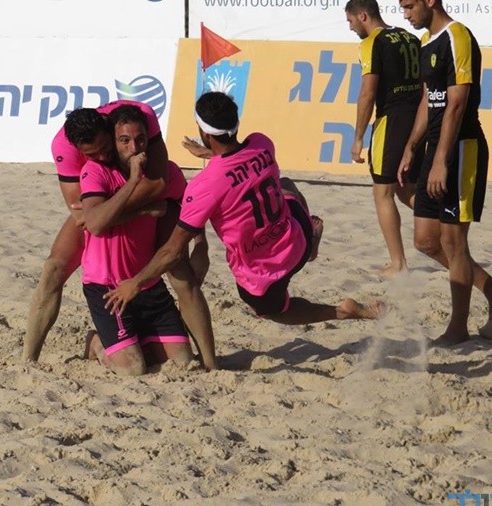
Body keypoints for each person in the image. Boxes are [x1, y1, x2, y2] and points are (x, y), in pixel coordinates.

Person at [104, 91, 383, 328]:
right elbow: (238, 160)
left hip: (263, 272)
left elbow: (172, 250)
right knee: (285, 184)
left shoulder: (203, 186)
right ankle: (311, 238)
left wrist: (135, 282)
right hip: (296, 238)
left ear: (204, 133)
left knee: (274, 311)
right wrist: (210, 153)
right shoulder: (262, 143)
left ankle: (340, 311)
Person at [22, 101, 217, 369]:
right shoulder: (77, 157)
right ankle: (27, 360)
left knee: (181, 272)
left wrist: (201, 245)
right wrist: (144, 210)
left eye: (105, 148)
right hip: (106, 215)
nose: (103, 156)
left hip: (130, 205)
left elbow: (162, 184)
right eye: (92, 153)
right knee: (53, 268)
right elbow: (87, 219)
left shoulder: (141, 119)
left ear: (109, 133)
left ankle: (209, 363)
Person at [397, 0, 492, 344]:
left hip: (462, 148)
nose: (405, 14)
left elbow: (457, 104)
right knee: (425, 241)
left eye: (409, 6)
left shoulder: (457, 36)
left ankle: (458, 329)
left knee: (453, 241)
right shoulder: (426, 41)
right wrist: (412, 145)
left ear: (430, 1)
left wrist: (442, 159)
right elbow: (428, 99)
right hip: (436, 148)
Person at [80, 104, 194, 375]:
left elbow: (194, 211)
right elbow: (95, 223)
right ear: (113, 141)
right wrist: (133, 185)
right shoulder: (95, 171)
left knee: (182, 363)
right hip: (108, 286)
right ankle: (96, 342)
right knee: (133, 371)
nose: (134, 147)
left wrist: (200, 247)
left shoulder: (163, 173)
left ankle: (132, 339)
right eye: (124, 140)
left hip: (147, 283)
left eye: (140, 139)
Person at [345, 0, 424, 276]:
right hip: (417, 119)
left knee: (382, 192)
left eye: (350, 21)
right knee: (405, 188)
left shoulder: (372, 43)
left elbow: (367, 93)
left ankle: (398, 264)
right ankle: (447, 229)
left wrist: (358, 137)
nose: (350, 27)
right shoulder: (409, 37)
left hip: (392, 121)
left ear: (362, 16)